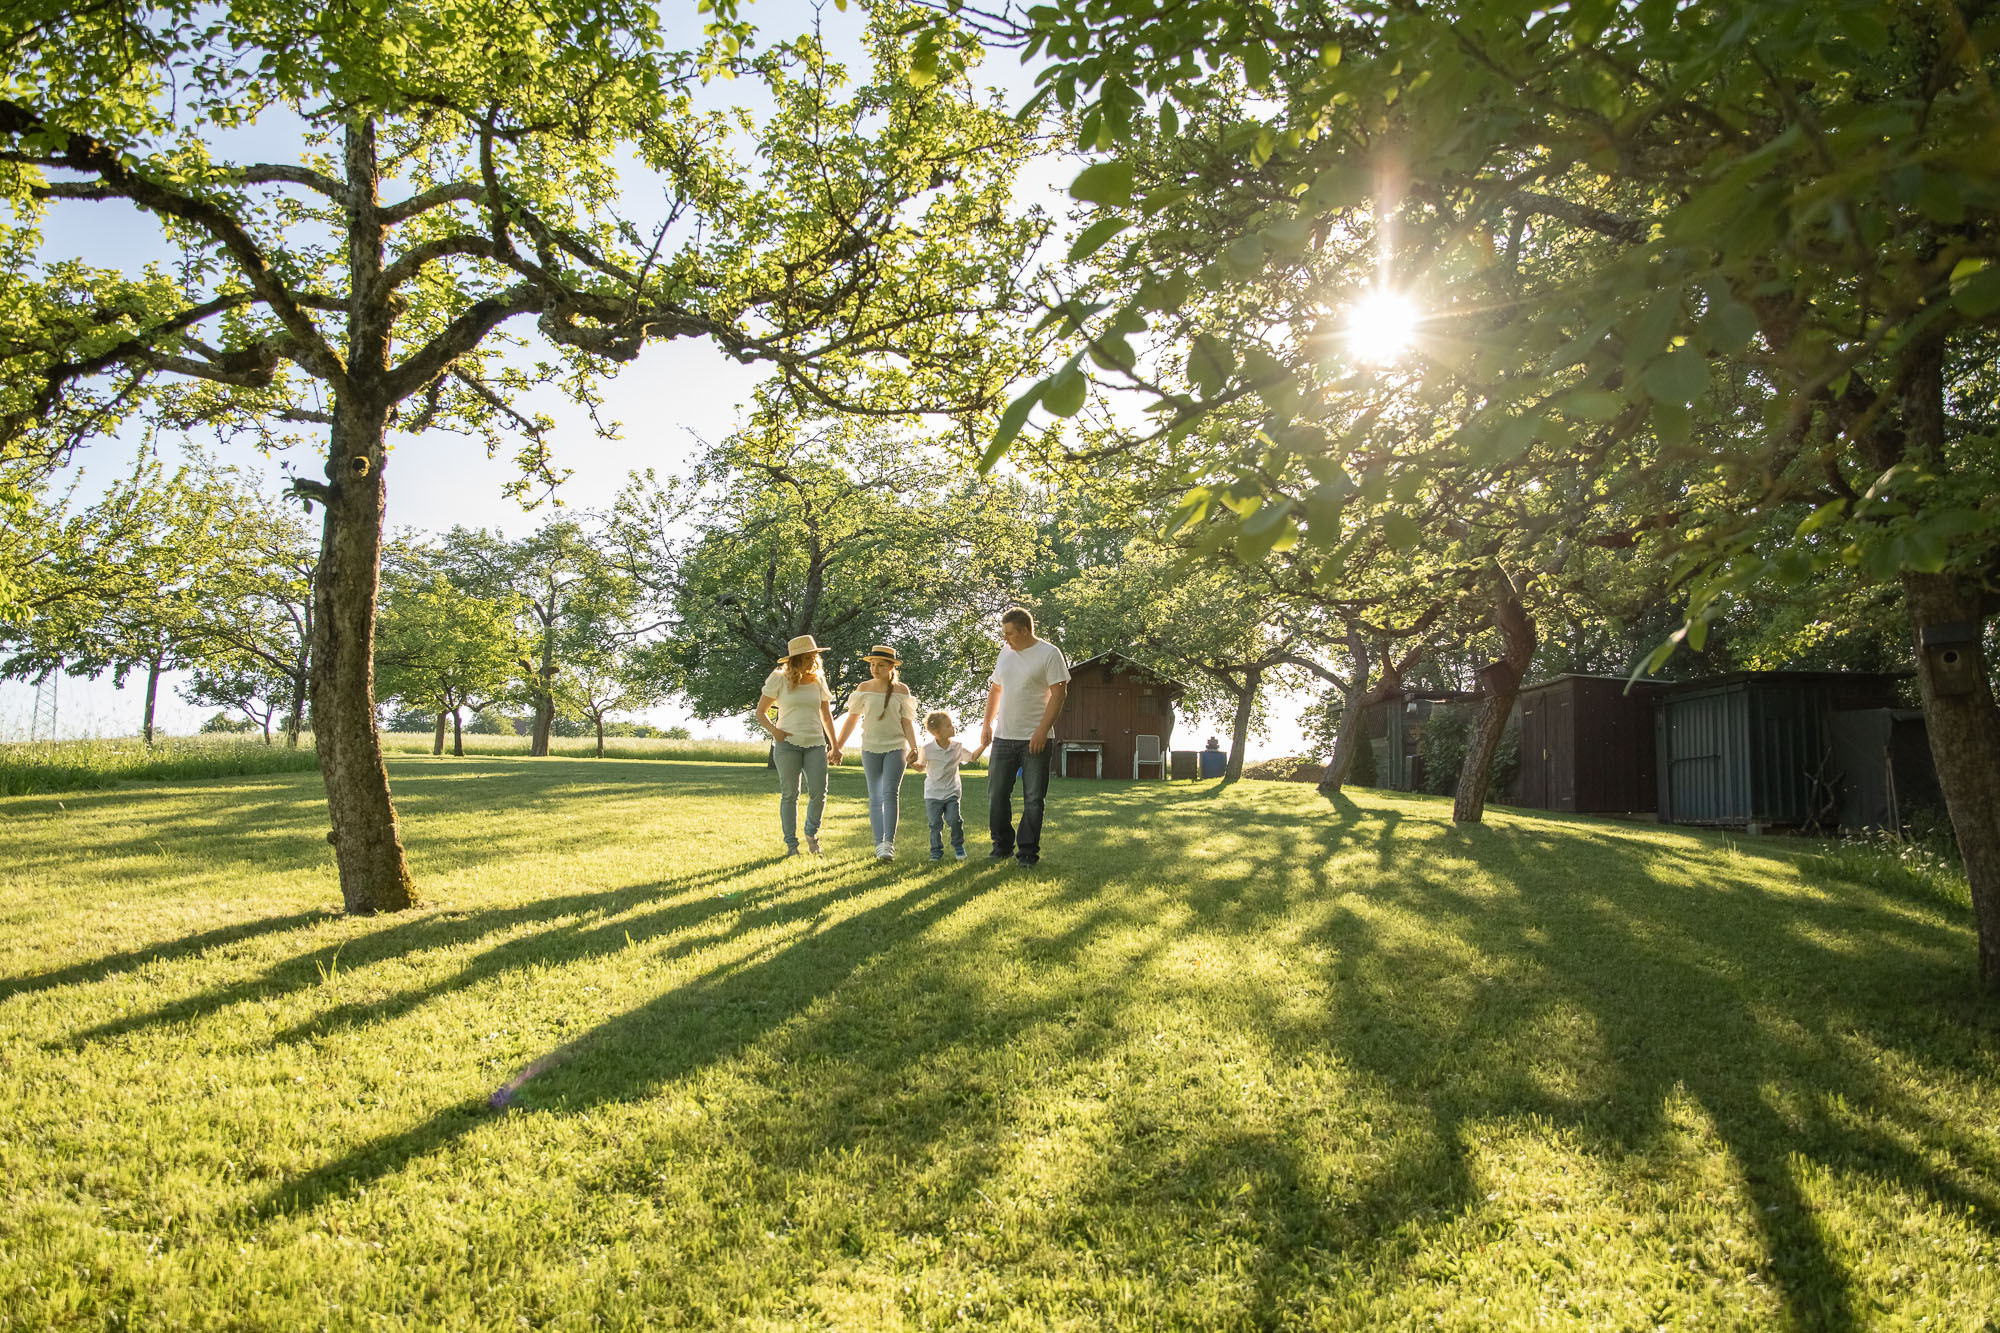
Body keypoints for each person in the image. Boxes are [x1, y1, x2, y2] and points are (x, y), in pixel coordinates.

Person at [980, 606, 1070, 866]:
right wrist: (987, 724)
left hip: (1035, 739)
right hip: (1003, 737)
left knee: (1033, 799)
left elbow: (1059, 695)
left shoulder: (1049, 654)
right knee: (997, 795)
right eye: (1004, 634)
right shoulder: (1005, 652)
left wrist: (1041, 731)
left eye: (1009, 634)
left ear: (1024, 630)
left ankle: (1028, 853)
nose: (1005, 638)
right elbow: (996, 690)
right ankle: (1001, 846)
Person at [832, 644, 921, 859]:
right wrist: (837, 746)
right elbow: (851, 720)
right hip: (870, 748)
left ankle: (888, 844)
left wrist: (914, 747)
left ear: (891, 667)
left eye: (880, 665)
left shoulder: (902, 690)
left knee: (890, 793)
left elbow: (907, 722)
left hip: (896, 747)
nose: (875, 668)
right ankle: (878, 844)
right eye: (872, 664)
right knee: (875, 796)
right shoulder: (863, 688)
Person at [754, 634, 839, 856]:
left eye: (814, 656)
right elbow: (760, 712)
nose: (812, 660)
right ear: (796, 659)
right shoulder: (778, 678)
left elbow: (826, 716)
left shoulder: (819, 681)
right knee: (790, 794)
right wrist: (775, 731)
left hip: (815, 743)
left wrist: (835, 745)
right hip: (787, 744)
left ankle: (811, 834)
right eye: (807, 657)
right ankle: (791, 845)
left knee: (819, 792)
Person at [914, 708, 986, 862]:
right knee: (935, 825)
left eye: (952, 724)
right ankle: (936, 852)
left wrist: (984, 745)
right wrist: (911, 763)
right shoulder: (927, 749)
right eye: (948, 725)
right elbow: (920, 767)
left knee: (955, 820)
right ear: (937, 732)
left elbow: (973, 757)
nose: (953, 727)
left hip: (952, 792)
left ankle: (958, 846)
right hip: (933, 794)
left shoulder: (957, 747)